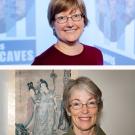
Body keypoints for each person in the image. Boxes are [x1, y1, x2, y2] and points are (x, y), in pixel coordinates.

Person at [32, 0, 103, 65]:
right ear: (52, 23)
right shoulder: (41, 62)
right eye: (62, 18)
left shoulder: (96, 55)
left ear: (84, 20)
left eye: (76, 16)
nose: (70, 24)